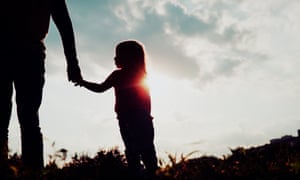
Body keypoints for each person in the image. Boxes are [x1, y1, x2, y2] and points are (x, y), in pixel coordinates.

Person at [0, 0, 82, 175]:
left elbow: (64, 23)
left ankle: (30, 171)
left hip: (25, 51)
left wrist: (73, 61)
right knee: (25, 119)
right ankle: (30, 171)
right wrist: (72, 62)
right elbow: (64, 24)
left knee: (24, 118)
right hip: (19, 51)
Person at [76, 40, 159, 178]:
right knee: (146, 151)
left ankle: (144, 173)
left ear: (130, 57)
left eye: (118, 55)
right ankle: (152, 174)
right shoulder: (141, 76)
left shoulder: (120, 75)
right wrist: (83, 83)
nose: (115, 58)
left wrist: (83, 82)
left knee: (135, 152)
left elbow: (100, 88)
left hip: (132, 119)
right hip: (139, 120)